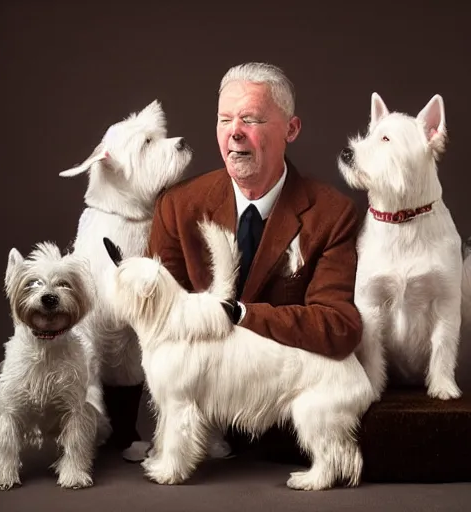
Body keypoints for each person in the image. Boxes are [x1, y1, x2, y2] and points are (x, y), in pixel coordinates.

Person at [147, 62, 363, 459]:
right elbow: (157, 322)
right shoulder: (177, 206)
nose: (234, 132)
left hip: (287, 426)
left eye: (250, 119)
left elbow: (338, 326)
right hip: (200, 425)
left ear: (291, 130)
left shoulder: (332, 214)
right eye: (225, 119)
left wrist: (241, 314)